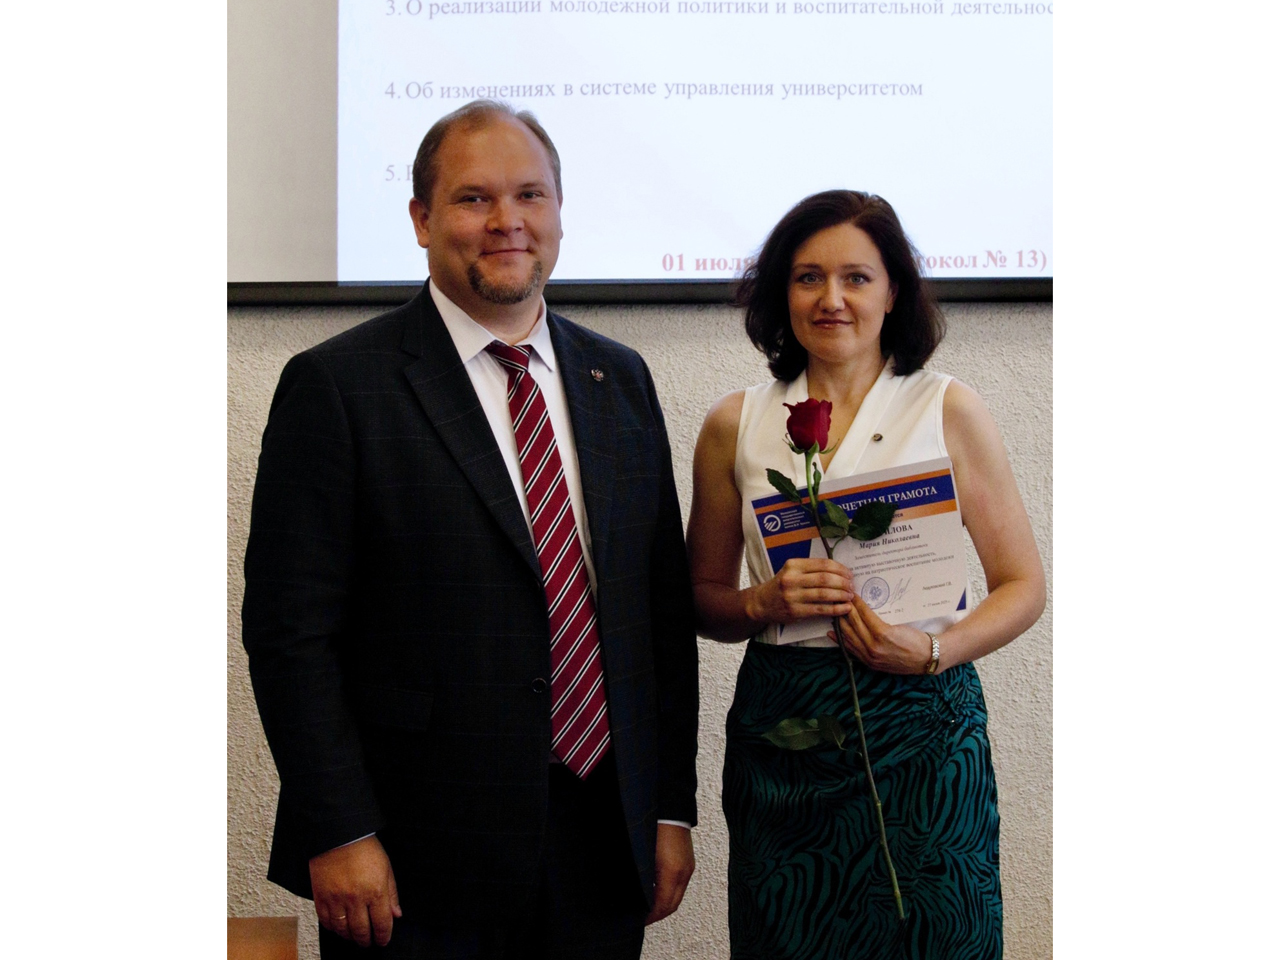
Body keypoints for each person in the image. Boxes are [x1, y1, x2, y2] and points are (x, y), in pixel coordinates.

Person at [241, 100, 699, 960]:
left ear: (559, 211)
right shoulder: (338, 386)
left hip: (602, 836)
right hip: (413, 857)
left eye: (530, 195)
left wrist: (670, 807)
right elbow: (289, 633)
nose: (506, 221)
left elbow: (659, 619)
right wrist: (339, 830)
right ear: (422, 219)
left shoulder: (620, 379)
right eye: (473, 198)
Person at [686, 190, 1045, 959]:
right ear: (781, 293)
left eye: (856, 277)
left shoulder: (948, 408)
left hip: (925, 723)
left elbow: (1023, 586)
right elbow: (702, 602)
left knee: (941, 936)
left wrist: (933, 651)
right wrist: (760, 601)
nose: (832, 298)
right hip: (789, 732)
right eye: (808, 277)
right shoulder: (734, 424)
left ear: (893, 292)